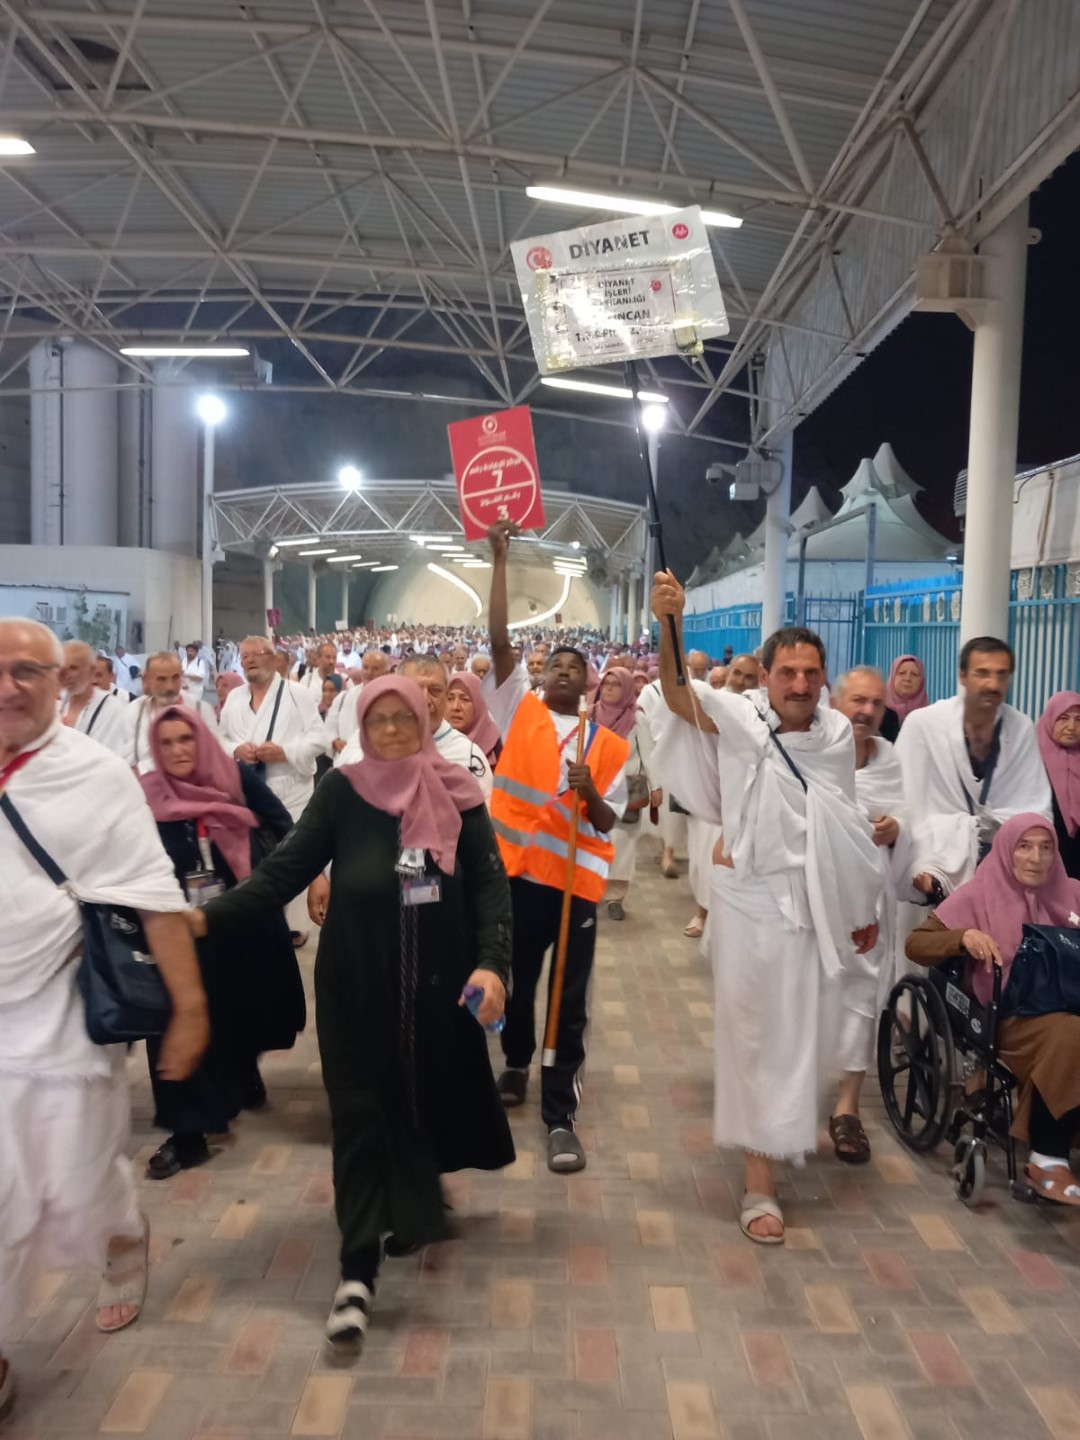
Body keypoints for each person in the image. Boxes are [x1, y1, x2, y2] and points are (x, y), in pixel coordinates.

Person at [188, 675, 514, 1346]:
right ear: (361, 726)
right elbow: (282, 872)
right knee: (359, 1120)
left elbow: (488, 885)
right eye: (379, 720)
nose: (391, 730)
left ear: (423, 720)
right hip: (354, 989)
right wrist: (205, 918)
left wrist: (491, 963)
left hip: (434, 991)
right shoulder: (342, 791)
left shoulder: (457, 790)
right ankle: (356, 1272)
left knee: (418, 1106)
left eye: (404, 718)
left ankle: (414, 1198)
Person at [0, 620, 208, 1419]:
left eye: (28, 670)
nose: (9, 686)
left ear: (62, 682)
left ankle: (121, 1235)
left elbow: (153, 896)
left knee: (78, 1184)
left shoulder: (95, 776)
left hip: (62, 1020)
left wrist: (189, 1010)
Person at [650, 575, 882, 1243]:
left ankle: (782, 1135)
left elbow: (841, 826)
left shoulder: (836, 735)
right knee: (754, 1034)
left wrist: (857, 907)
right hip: (750, 900)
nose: (800, 685)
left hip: (813, 906)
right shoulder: (740, 716)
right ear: (769, 676)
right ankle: (760, 1180)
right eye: (788, 673)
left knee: (798, 1034)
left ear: (824, 678)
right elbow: (677, 694)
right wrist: (670, 622)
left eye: (811, 673)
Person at [486, 523, 630, 1174]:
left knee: (568, 1004)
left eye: (576, 667)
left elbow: (610, 819)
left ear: (590, 682)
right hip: (518, 881)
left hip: (575, 889)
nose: (565, 671)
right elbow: (498, 640)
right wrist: (500, 559)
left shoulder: (608, 746)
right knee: (517, 985)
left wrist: (591, 790)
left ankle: (559, 1117)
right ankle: (515, 1061)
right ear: (540, 674)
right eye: (555, 665)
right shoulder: (519, 709)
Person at [140, 706, 303, 1178]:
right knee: (176, 1021)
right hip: (178, 927)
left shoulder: (233, 777)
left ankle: (241, 1072)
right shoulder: (146, 794)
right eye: (167, 743)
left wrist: (299, 881)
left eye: (185, 739)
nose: (178, 750)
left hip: (242, 920)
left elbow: (286, 828)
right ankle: (188, 1133)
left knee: (243, 1009)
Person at [906, 815, 1080, 1204]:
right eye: (1024, 847)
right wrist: (962, 937)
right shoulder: (977, 895)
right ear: (1006, 850)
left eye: (1046, 848)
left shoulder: (1072, 894)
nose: (1036, 857)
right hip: (1008, 1016)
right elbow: (916, 944)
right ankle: (1047, 1159)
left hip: (1069, 1004)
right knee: (1070, 1037)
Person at [896, 637, 1051, 899]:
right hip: (930, 864)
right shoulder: (923, 725)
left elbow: (1035, 805)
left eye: (1001, 675)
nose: (992, 684)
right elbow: (902, 803)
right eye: (982, 673)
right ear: (962, 676)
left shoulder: (1020, 727)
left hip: (1003, 866)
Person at [829, 666, 909, 1163]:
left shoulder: (890, 758)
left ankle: (847, 1107)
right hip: (816, 894)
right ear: (835, 703)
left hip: (871, 901)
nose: (865, 711)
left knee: (860, 993)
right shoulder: (812, 753)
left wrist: (898, 825)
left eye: (875, 703)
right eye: (857, 700)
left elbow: (911, 810)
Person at [218, 636, 325, 945]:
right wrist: (236, 748)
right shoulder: (235, 698)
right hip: (249, 793)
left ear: (274, 658)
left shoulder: (296, 694)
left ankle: (293, 926)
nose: (250, 660)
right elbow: (220, 739)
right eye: (244, 656)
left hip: (289, 790)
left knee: (292, 854)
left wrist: (285, 752)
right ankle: (259, 921)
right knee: (256, 858)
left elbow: (319, 738)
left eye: (257, 654)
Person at [592, 667, 650, 922]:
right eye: (606, 683)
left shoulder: (637, 718)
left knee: (622, 843)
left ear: (626, 688)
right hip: (594, 788)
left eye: (616, 684)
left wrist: (656, 787)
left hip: (626, 788)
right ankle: (591, 889)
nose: (609, 687)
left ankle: (615, 896)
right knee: (593, 841)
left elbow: (648, 753)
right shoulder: (590, 713)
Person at [129, 651, 221, 774]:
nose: (170, 687)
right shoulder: (135, 711)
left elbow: (214, 756)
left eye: (175, 678)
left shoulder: (202, 710)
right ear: (148, 679)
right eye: (161, 679)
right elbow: (127, 762)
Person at [59, 640, 132, 762]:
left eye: (74, 668)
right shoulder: (54, 704)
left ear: (91, 670)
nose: (68, 675)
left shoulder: (113, 708)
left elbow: (108, 759)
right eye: (63, 668)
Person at [1036, 691, 1080, 878]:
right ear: (1050, 719)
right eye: (1063, 718)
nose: (1072, 727)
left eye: (1079, 720)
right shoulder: (1032, 759)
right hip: (1042, 855)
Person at [447, 670, 502, 766]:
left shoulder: (497, 747)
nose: (455, 707)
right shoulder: (431, 742)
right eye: (449, 699)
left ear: (479, 704)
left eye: (465, 699)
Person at [883, 654, 928, 741]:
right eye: (902, 673)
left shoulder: (929, 717)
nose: (907, 678)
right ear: (892, 677)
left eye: (914, 674)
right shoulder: (878, 713)